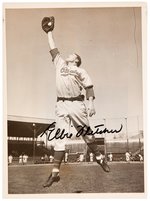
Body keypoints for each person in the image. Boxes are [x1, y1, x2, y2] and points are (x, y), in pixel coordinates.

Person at [42, 16, 110, 188]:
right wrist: (49, 32)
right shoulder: (60, 64)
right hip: (61, 105)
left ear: (76, 60)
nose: (70, 54)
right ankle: (55, 173)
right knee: (59, 138)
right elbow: (53, 47)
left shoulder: (80, 70)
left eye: (73, 55)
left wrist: (91, 104)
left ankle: (100, 158)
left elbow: (89, 88)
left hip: (76, 104)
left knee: (87, 134)